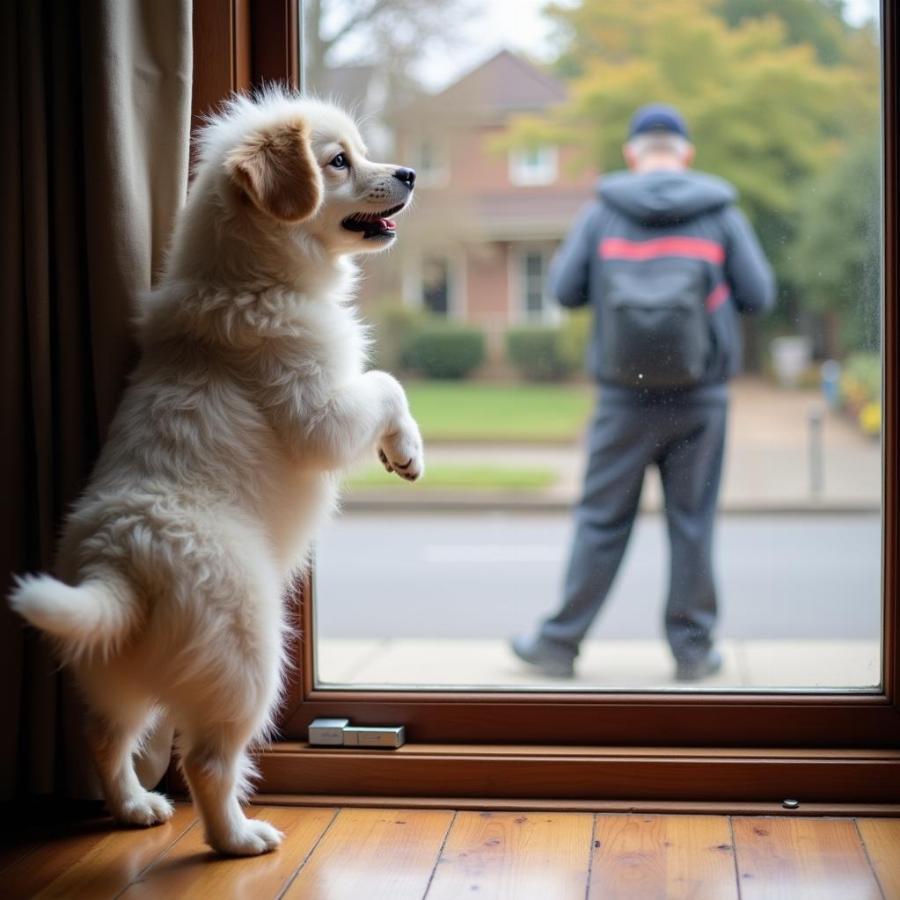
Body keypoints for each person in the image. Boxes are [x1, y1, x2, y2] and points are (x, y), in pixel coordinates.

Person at [512, 103, 775, 682]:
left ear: (633, 154)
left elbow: (563, 291)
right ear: (685, 153)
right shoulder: (720, 213)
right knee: (692, 523)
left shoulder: (602, 213)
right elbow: (758, 295)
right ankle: (693, 652)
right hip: (700, 399)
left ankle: (558, 645)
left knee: (601, 521)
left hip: (621, 400)